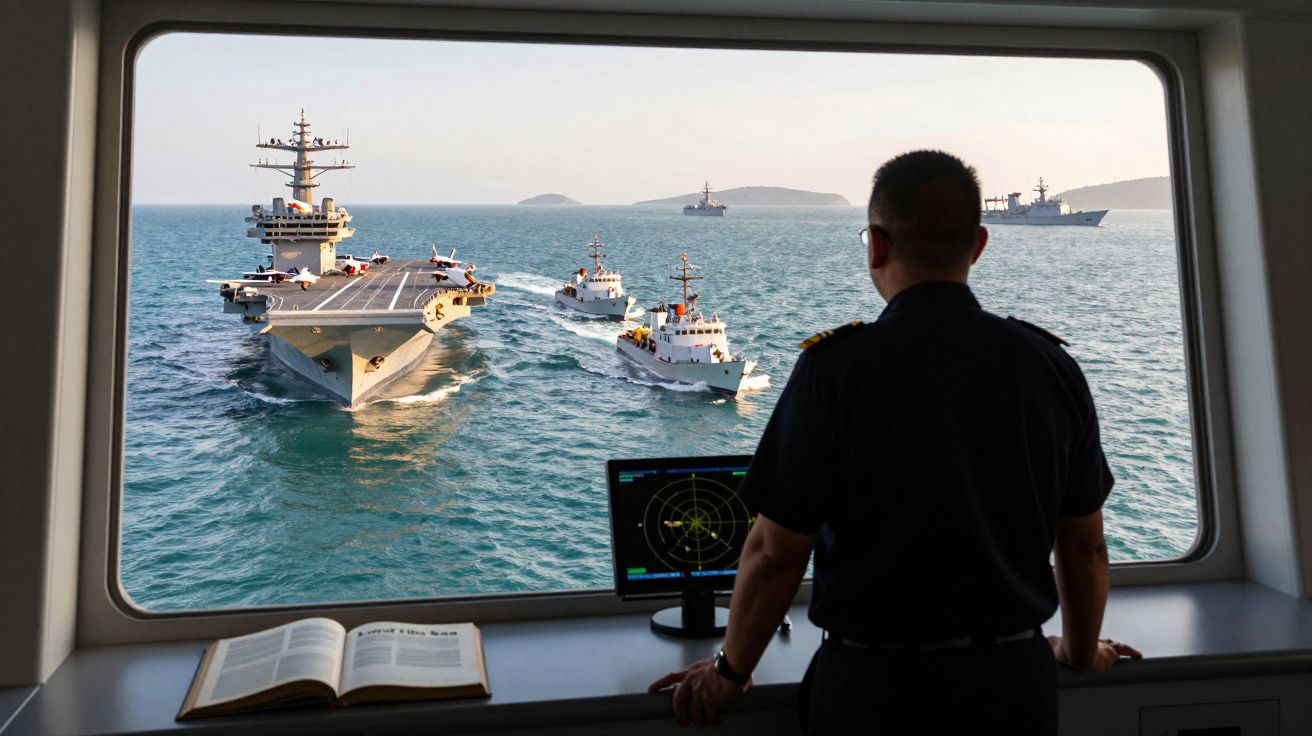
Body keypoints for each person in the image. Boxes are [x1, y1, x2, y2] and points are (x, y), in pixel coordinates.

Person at [649, 150, 1141, 734]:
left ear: (876, 246)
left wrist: (730, 672)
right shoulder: (1050, 367)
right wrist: (1081, 653)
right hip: (1014, 688)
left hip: (874, 691)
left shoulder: (835, 370)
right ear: (978, 245)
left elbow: (776, 551)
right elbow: (1085, 549)